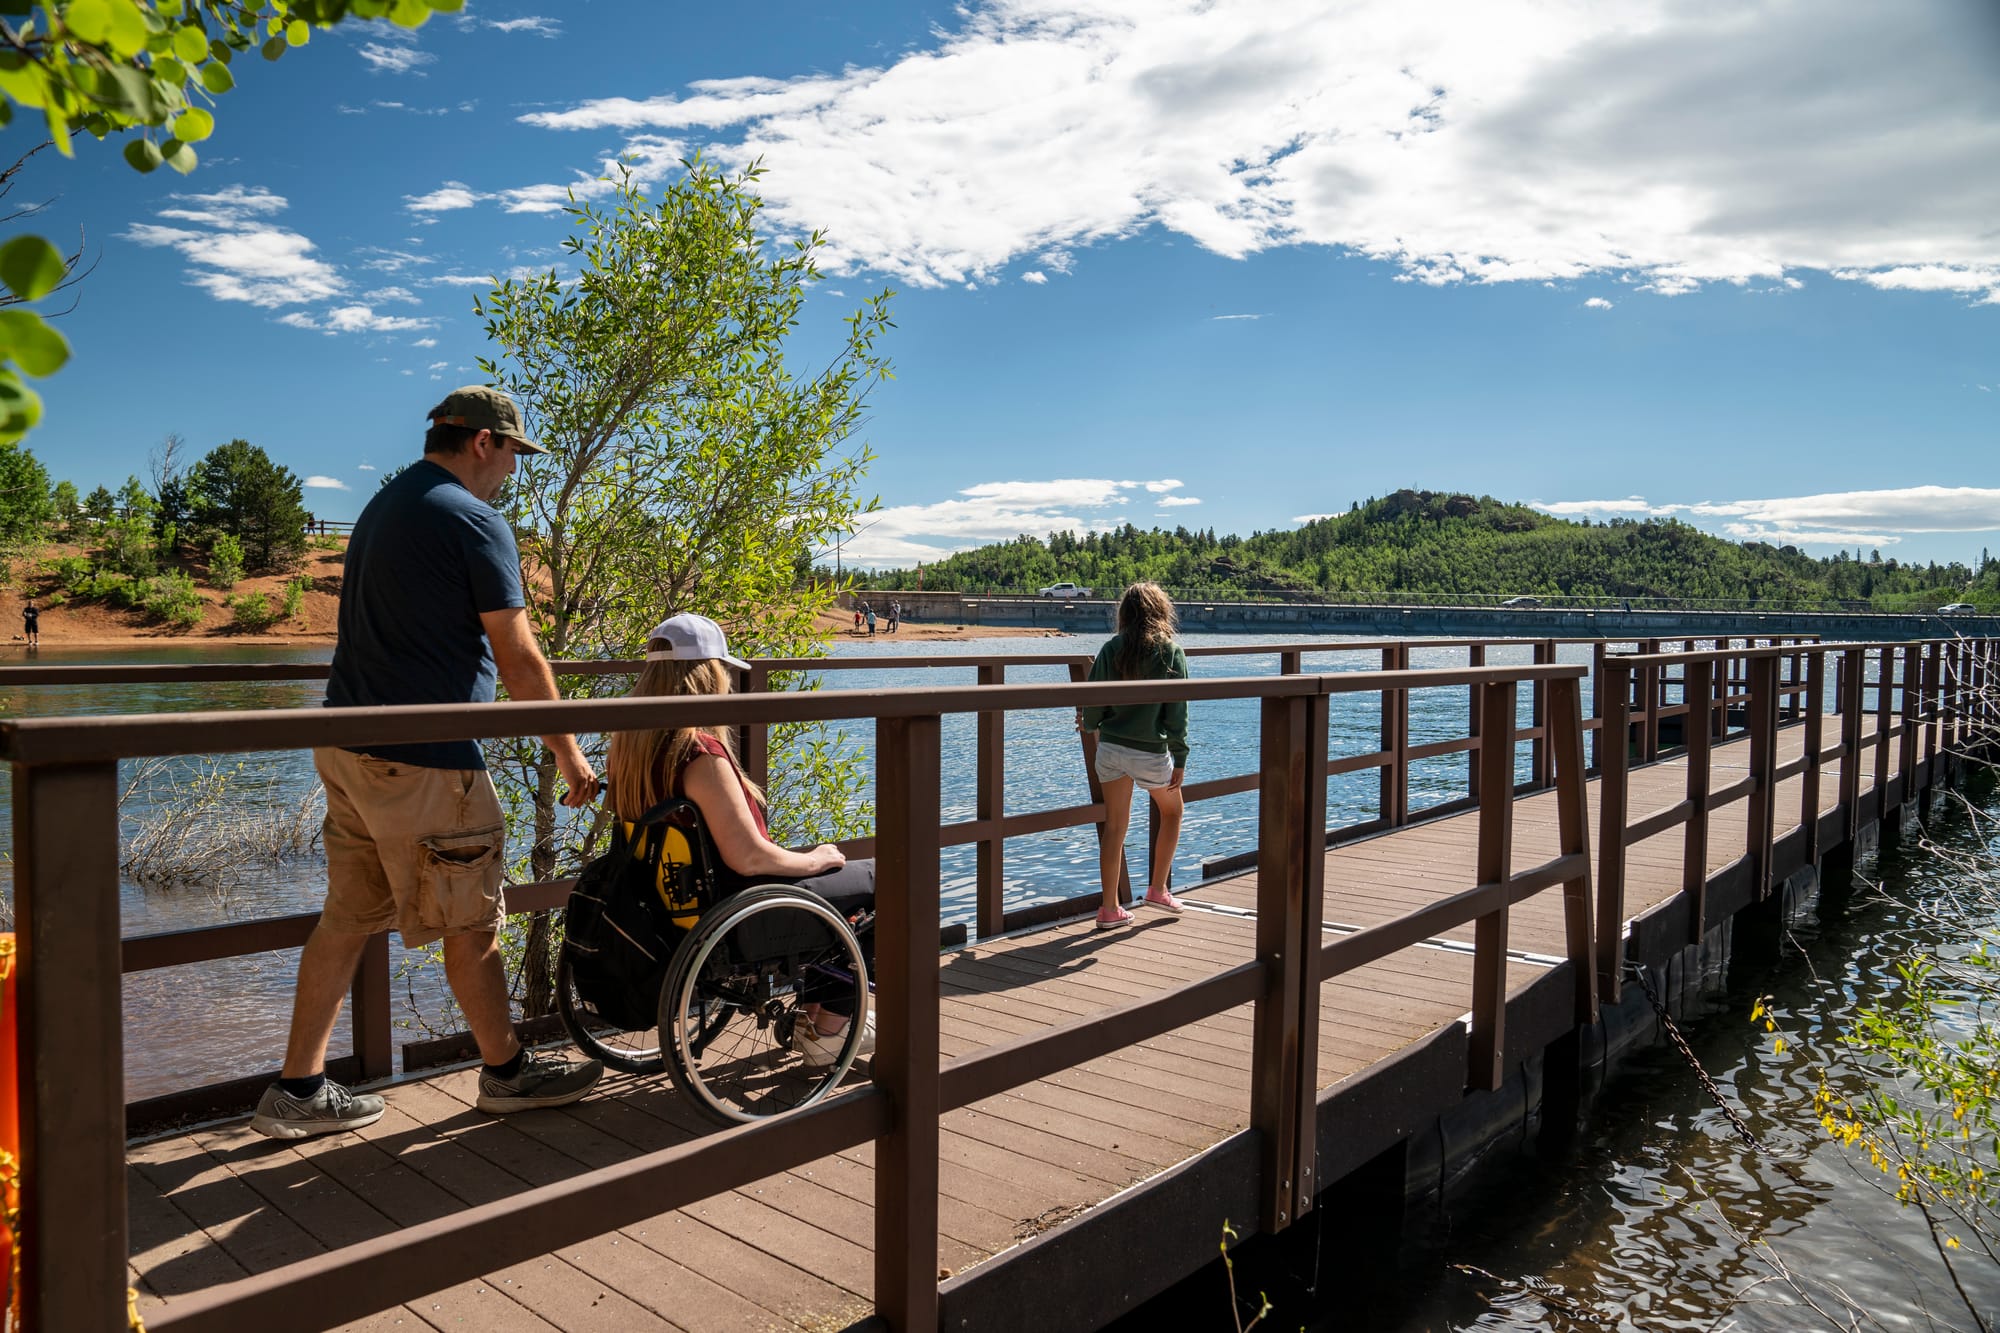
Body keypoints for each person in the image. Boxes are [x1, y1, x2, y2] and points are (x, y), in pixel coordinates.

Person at [251, 386, 605, 1140]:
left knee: (346, 919)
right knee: (471, 918)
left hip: (349, 746)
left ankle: (297, 1088)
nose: (513, 469)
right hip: (424, 760)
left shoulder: (386, 505)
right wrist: (569, 753)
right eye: (513, 453)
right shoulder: (474, 519)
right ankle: (508, 1074)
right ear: (483, 442)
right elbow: (519, 653)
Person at [605, 612, 876, 1064]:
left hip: (667, 907)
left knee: (839, 884)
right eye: (725, 672)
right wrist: (813, 859)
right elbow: (747, 857)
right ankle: (827, 1030)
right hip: (736, 912)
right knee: (884, 880)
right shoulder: (697, 753)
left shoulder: (628, 745)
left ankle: (815, 1017)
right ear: (709, 674)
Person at [1078, 581, 1190, 929]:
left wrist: (1090, 725)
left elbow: (1093, 705)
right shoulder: (1170, 652)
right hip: (1149, 751)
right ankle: (1158, 888)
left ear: (1124, 614)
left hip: (1110, 748)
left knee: (1115, 826)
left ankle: (1109, 909)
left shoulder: (1112, 649)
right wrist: (1180, 755)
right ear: (1161, 611)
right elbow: (1177, 712)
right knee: (1172, 812)